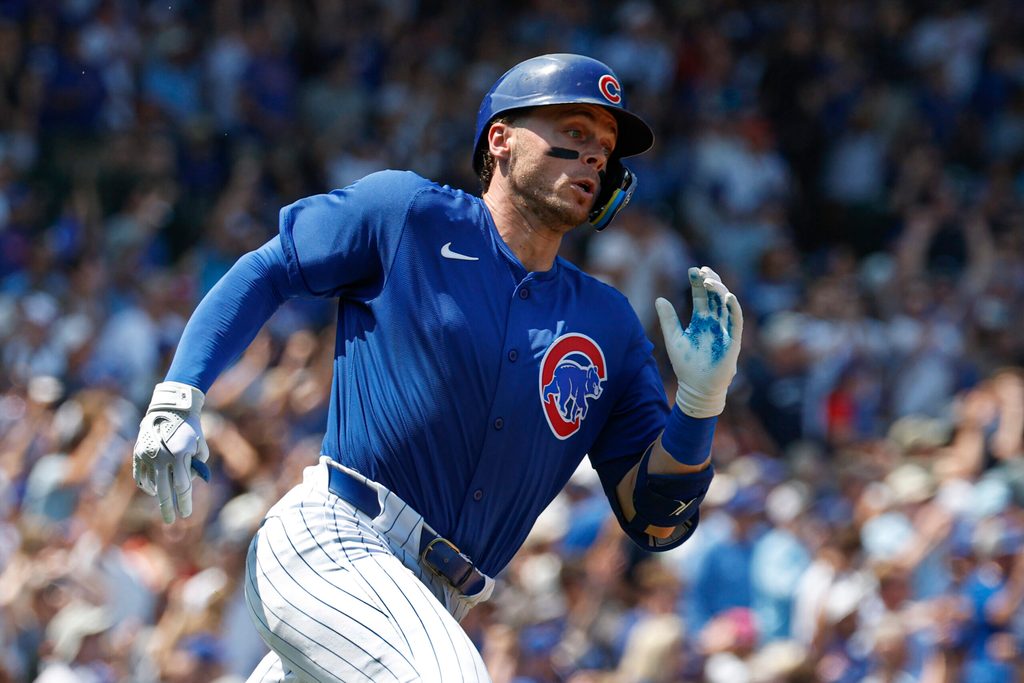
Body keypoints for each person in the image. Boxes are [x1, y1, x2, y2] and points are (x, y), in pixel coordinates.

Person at [131, 53, 743, 682]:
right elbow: (268, 269)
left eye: (606, 149)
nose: (594, 157)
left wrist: (698, 406)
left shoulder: (609, 323)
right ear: (500, 140)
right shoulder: (409, 215)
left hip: (434, 602)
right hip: (336, 539)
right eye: (575, 133)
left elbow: (654, 521)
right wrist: (181, 393)